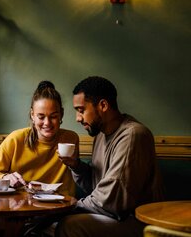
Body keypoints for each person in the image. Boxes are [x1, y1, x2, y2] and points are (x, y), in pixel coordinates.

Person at [55, 76, 164, 237]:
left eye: (81, 110)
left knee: (70, 226)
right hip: (113, 217)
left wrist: (65, 209)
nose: (78, 118)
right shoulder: (100, 135)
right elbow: (97, 186)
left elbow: (109, 200)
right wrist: (75, 165)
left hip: (139, 222)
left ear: (103, 105)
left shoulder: (133, 135)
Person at [0, 80, 79, 196]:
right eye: (41, 117)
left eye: (53, 116)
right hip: (21, 209)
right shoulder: (16, 139)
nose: (47, 123)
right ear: (32, 115)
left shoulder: (70, 139)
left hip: (60, 208)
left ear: (62, 114)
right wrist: (4, 177)